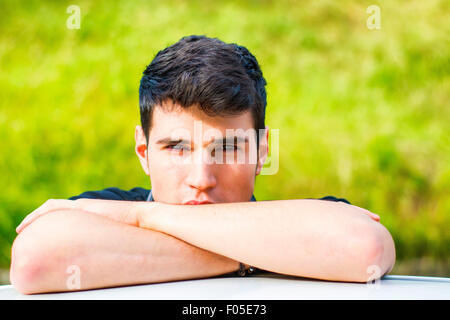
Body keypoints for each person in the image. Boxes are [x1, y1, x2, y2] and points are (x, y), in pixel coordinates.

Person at [10, 35, 396, 294]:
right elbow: (33, 261)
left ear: (263, 151)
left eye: (228, 147)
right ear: (143, 153)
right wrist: (257, 257)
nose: (201, 179)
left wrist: (146, 219)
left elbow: (365, 250)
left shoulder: (112, 214)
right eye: (176, 147)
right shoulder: (300, 236)